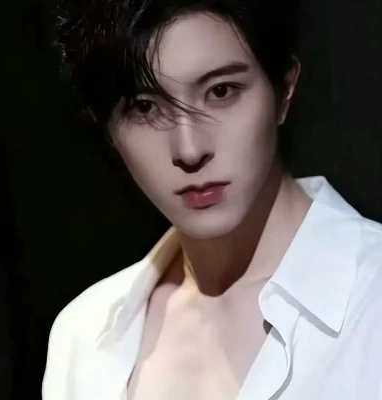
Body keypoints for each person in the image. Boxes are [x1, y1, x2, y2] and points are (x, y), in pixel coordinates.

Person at [43, 1, 382, 399]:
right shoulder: (84, 336)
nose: (190, 150)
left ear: (284, 89)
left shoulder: (371, 300)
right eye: (145, 107)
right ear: (106, 129)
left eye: (221, 91)